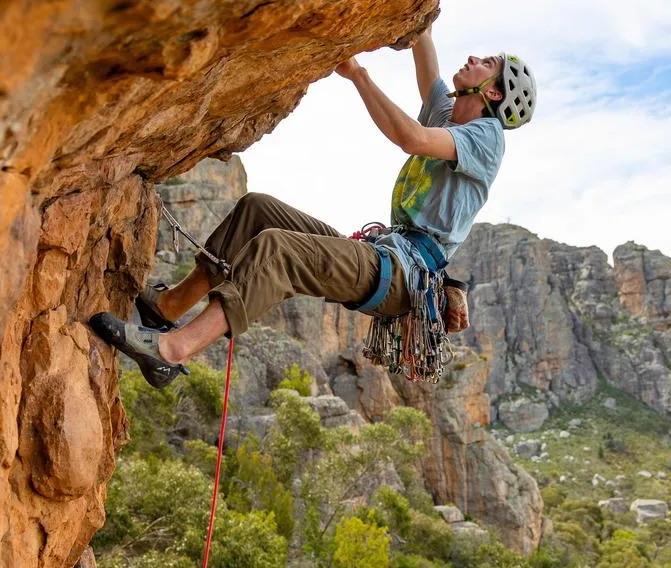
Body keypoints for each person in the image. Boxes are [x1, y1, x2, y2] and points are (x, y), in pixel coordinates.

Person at [90, 28, 536, 388]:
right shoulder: (450, 113)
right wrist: (422, 26)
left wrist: (359, 74)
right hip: (387, 253)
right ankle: (167, 308)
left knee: (278, 250)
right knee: (257, 209)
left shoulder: (486, 138)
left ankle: (170, 352)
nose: (474, 57)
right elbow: (427, 59)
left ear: (494, 94)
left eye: (487, 63)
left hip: (402, 272)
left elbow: (410, 139)